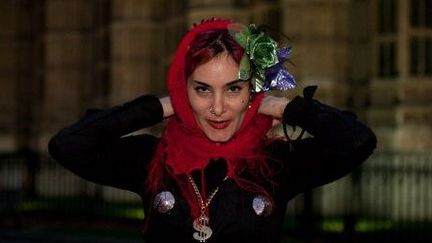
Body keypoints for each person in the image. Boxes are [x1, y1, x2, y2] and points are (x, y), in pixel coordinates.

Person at [48, 18, 377, 243]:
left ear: (252, 91)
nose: (217, 108)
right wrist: (159, 106)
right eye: (202, 89)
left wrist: (284, 107)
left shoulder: (275, 163)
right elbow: (70, 145)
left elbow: (357, 141)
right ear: (183, 90)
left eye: (233, 89)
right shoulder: (153, 158)